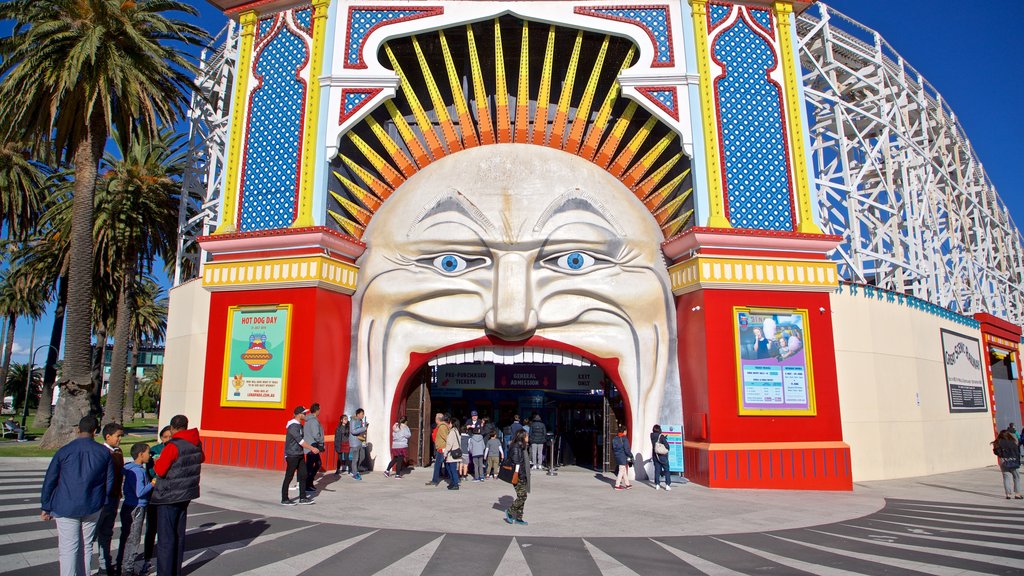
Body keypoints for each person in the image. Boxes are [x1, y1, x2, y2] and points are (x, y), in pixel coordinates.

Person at [40, 415, 113, 576]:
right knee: (86, 546)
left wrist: (46, 505)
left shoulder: (65, 451)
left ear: (78, 430)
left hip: (66, 505)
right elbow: (109, 481)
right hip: (93, 504)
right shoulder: (103, 452)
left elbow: (50, 479)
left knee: (68, 548)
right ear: (95, 431)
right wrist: (103, 501)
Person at [152, 414, 205, 576]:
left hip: (169, 494)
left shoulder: (173, 446)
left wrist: (157, 461)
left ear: (173, 428)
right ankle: (176, 570)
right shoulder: (196, 443)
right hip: (186, 493)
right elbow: (201, 458)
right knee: (178, 534)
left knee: (166, 538)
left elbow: (160, 470)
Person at [118, 443, 154, 576]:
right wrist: (153, 483)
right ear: (140, 454)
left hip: (128, 505)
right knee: (134, 538)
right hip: (137, 507)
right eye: (148, 452)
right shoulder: (139, 471)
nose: (150, 455)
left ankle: (122, 563)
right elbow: (140, 492)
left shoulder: (129, 468)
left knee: (127, 536)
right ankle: (128, 568)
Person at [95, 422, 125, 576]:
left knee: (107, 532)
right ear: (108, 436)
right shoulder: (101, 452)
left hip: (114, 497)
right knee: (95, 533)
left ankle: (105, 565)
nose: (120, 439)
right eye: (118, 436)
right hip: (102, 499)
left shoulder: (118, 452)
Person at [143, 426, 172, 573]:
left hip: (168, 493)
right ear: (161, 437)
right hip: (154, 492)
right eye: (165, 436)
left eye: (170, 436)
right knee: (151, 527)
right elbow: (149, 470)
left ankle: (164, 558)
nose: (167, 439)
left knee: (165, 529)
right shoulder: (154, 450)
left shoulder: (173, 449)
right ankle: (147, 558)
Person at [282, 406, 317, 505]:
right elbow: (300, 441)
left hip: (300, 454)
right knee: (289, 476)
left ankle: (303, 497)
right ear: (299, 414)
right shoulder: (293, 426)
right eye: (304, 413)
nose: (305, 415)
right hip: (292, 455)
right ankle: (284, 498)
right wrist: (312, 448)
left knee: (303, 474)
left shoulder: (300, 426)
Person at [505, 429, 530, 525]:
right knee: (522, 496)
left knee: (521, 496)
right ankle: (510, 511)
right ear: (523, 437)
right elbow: (517, 463)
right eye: (527, 436)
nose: (528, 437)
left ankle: (519, 518)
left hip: (522, 475)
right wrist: (520, 475)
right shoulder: (516, 447)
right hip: (518, 475)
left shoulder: (521, 446)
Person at [992, 429, 1022, 499]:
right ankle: (1017, 494)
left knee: (1006, 478)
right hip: (1013, 460)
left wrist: (1002, 455)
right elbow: (1017, 453)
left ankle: (1008, 494)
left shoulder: (998, 442)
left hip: (1003, 461)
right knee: (1016, 477)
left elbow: (996, 452)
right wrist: (1018, 461)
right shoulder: (1012, 442)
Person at [303, 403, 325, 493]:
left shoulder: (307, 420)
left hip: (309, 445)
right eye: (319, 409)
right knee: (316, 464)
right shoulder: (314, 421)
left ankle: (309, 484)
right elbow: (316, 434)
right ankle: (307, 484)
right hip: (313, 445)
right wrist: (321, 442)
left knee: (312, 465)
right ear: (317, 410)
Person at [426, 413, 449, 486]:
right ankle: (452, 478)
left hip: (442, 449)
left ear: (437, 419)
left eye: (436, 417)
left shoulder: (442, 427)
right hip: (441, 448)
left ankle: (435, 480)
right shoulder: (441, 426)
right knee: (447, 465)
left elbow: (446, 437)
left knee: (437, 466)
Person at [650, 424, 672, 491]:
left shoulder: (651, 436)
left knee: (657, 470)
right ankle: (667, 485)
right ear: (659, 430)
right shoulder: (661, 436)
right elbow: (667, 446)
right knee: (666, 470)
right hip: (662, 456)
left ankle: (657, 484)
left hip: (655, 455)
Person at [611, 424, 633, 490]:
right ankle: (617, 485)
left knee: (623, 470)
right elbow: (627, 449)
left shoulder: (615, 438)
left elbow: (613, 448)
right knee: (621, 470)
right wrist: (631, 455)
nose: (626, 432)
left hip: (617, 456)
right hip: (623, 456)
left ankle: (627, 484)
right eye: (626, 431)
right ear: (624, 431)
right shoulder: (624, 439)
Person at [348, 408, 367, 480]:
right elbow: (353, 431)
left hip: (359, 442)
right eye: (362, 414)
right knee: (355, 459)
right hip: (354, 443)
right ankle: (354, 474)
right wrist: (363, 429)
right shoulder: (353, 421)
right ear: (358, 414)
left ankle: (355, 471)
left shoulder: (360, 420)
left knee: (361, 457)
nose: (363, 415)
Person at [444, 417, 461, 490]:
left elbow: (449, 444)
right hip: (455, 452)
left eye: (449, 423)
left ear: (452, 423)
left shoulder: (452, 432)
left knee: (452, 469)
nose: (448, 424)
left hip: (452, 454)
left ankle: (455, 484)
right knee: (451, 468)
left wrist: (445, 453)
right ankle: (453, 482)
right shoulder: (457, 431)